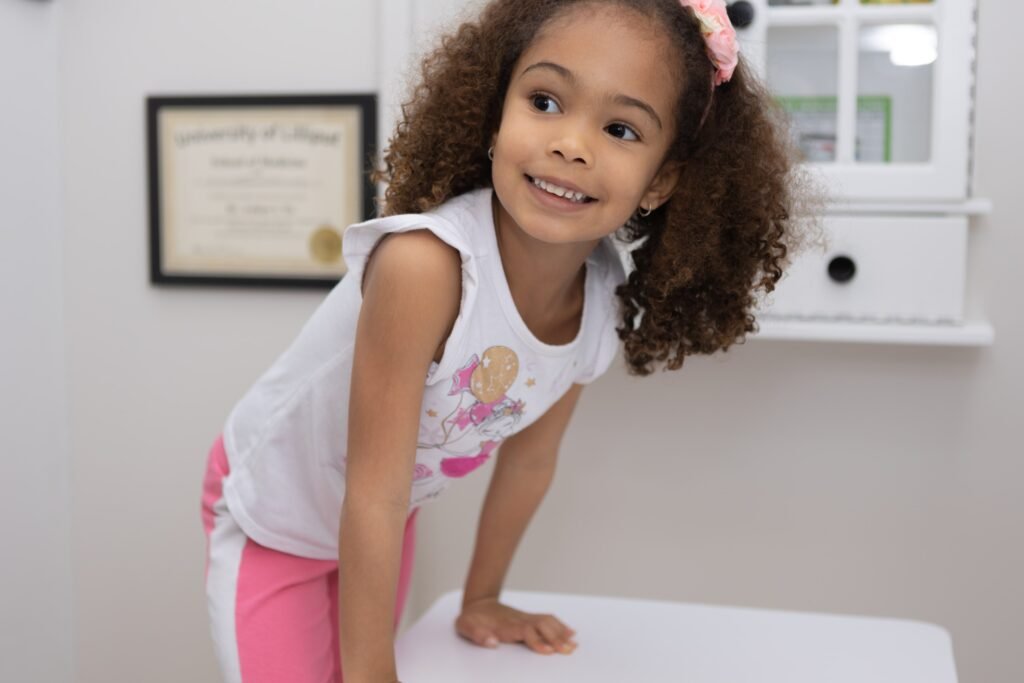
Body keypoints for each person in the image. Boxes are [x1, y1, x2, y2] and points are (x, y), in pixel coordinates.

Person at [201, 0, 812, 680]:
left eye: (620, 128)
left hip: (381, 518)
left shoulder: (598, 300)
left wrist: (482, 598)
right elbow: (373, 493)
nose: (571, 144)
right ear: (496, 116)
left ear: (661, 181)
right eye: (544, 102)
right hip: (274, 512)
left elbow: (528, 462)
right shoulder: (424, 268)